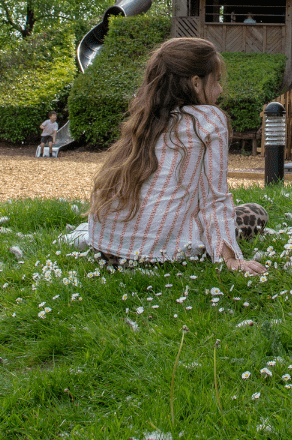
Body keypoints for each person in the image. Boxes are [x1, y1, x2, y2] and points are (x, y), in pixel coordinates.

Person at [87, 38, 267, 273]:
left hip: (106, 249)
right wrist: (231, 258)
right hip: (160, 255)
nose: (220, 90)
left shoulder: (145, 118)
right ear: (196, 83)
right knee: (255, 213)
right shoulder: (209, 120)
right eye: (217, 81)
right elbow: (214, 198)